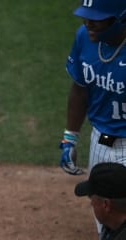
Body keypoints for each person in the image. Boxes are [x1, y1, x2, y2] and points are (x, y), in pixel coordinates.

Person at [59, 0, 126, 180]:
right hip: (100, 141)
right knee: (100, 205)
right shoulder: (84, 37)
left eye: (97, 19)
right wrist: (69, 139)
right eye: (86, 17)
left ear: (121, 18)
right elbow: (80, 89)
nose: (88, 23)